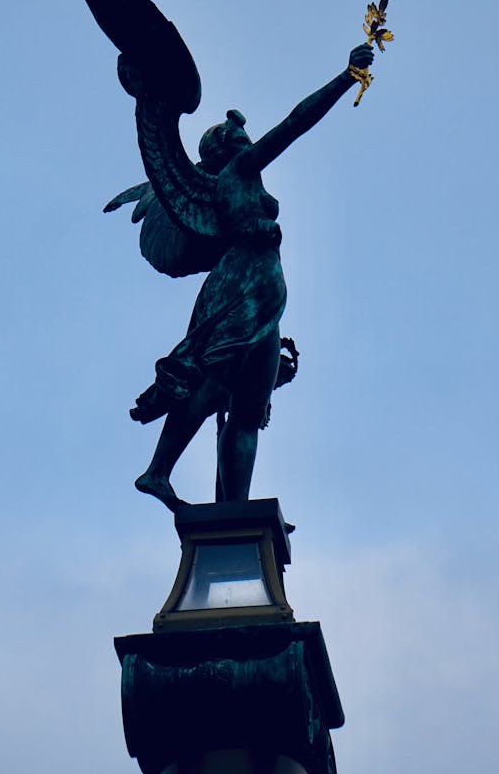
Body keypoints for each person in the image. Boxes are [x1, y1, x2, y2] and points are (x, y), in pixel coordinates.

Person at [131, 42, 375, 511]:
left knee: (249, 409)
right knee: (212, 382)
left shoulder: (242, 180)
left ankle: (235, 507)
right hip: (239, 285)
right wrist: (345, 77)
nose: (246, 138)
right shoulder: (239, 172)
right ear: (226, 150)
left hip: (261, 294)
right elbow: (295, 124)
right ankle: (157, 472)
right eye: (236, 135)